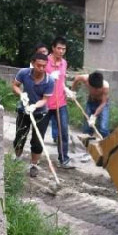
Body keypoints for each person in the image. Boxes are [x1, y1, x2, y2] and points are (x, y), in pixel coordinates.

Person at [12, 53, 55, 177]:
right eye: (38, 65)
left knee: (37, 141)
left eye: (44, 66)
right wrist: (21, 94)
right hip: (23, 110)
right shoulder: (24, 73)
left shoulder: (49, 80)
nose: (41, 68)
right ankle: (17, 158)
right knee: (20, 137)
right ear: (32, 63)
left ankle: (34, 165)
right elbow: (15, 85)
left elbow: (45, 99)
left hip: (40, 113)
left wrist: (35, 106)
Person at [46, 37, 73, 169]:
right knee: (39, 131)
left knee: (63, 132)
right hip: (45, 103)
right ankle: (35, 159)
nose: (61, 51)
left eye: (64, 49)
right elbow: (37, 79)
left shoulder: (64, 63)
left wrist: (66, 89)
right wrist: (49, 77)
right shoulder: (45, 61)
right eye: (59, 48)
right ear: (53, 48)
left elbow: (62, 81)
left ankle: (64, 159)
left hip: (60, 103)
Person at [71, 71, 110, 139]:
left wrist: (94, 116)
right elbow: (76, 78)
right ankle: (87, 143)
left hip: (102, 104)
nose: (95, 90)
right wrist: (72, 92)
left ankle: (106, 142)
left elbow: (103, 103)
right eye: (93, 88)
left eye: (97, 89)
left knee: (103, 128)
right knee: (87, 127)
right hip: (91, 102)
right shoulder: (85, 78)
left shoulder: (105, 86)